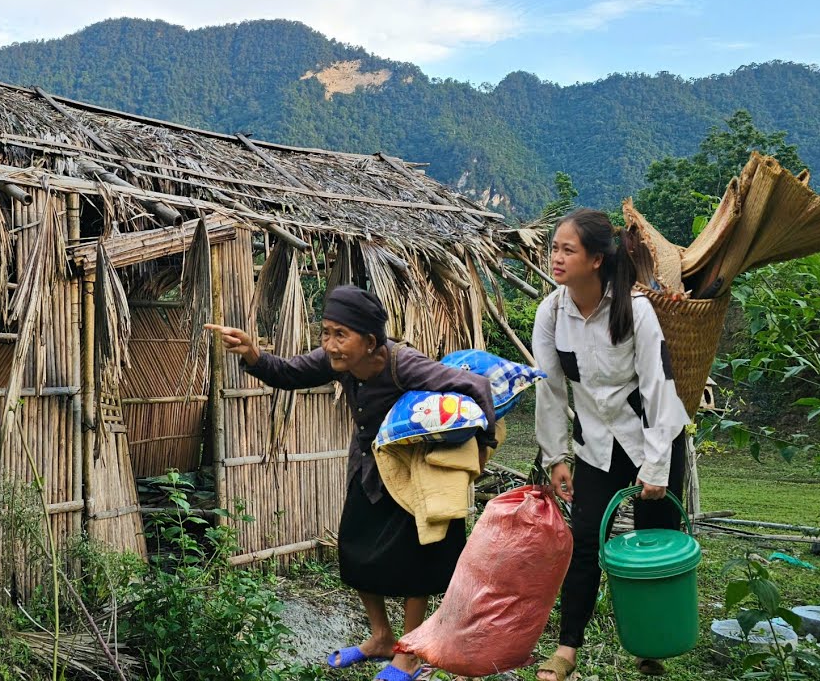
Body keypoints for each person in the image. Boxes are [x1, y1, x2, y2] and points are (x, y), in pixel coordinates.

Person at [205, 285, 496, 681]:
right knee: (354, 550)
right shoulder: (337, 361)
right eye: (326, 333)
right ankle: (381, 637)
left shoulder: (404, 365)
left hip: (412, 473)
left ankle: (409, 652)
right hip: (369, 469)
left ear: (370, 341)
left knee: (417, 559)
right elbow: (289, 372)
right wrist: (252, 353)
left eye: (340, 334)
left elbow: (476, 387)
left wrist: (484, 446)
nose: (329, 344)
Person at [532, 209, 690, 681]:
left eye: (568, 250)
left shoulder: (634, 310)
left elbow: (659, 387)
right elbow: (550, 390)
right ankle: (567, 649)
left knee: (654, 541)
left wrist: (657, 466)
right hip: (596, 447)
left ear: (597, 259)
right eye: (554, 248)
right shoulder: (551, 313)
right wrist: (556, 456)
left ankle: (652, 644)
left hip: (652, 440)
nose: (556, 258)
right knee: (584, 543)